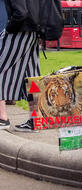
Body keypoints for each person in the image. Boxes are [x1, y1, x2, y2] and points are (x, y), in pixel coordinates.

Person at [0, 0, 41, 131]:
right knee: (31, 75)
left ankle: (2, 118)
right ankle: (36, 120)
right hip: (33, 32)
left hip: (18, 32)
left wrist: (9, 28)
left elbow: (21, 12)